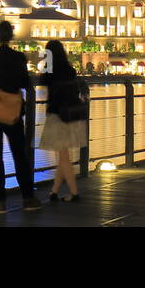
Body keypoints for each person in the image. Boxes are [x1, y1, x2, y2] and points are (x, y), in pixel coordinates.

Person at [0, 21, 41, 214]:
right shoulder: (18, 57)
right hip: (13, 112)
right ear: (11, 36)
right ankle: (27, 197)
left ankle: (0, 200)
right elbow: (24, 82)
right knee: (19, 155)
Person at [39, 39, 87, 202]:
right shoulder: (69, 70)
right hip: (71, 114)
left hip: (57, 115)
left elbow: (43, 81)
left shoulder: (50, 71)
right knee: (63, 155)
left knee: (63, 156)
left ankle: (74, 193)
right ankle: (54, 192)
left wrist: (45, 61)